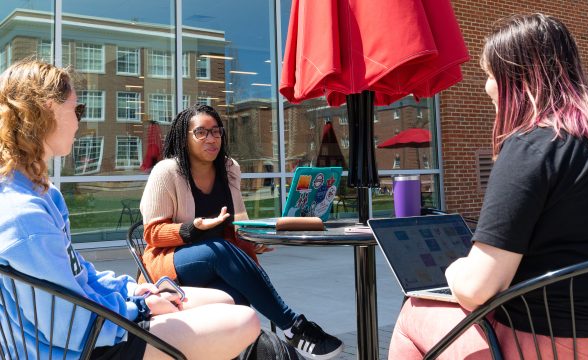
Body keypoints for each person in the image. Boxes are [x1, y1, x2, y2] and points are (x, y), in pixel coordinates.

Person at [389, 13, 588, 359]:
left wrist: (453, 268)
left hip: (543, 345)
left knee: (413, 311)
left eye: (490, 75)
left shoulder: (532, 145)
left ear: (517, 78)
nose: (486, 87)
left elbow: (478, 288)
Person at [0, 59, 261, 360]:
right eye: (77, 110)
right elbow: (69, 323)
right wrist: (141, 307)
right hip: (82, 347)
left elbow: (78, 275)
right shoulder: (23, 215)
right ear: (49, 111)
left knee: (223, 300)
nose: (79, 121)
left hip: (94, 326)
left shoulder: (38, 192)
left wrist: (132, 290)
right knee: (243, 320)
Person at [139, 103, 344, 360]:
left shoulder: (229, 168)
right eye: (201, 132)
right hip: (169, 264)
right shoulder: (167, 171)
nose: (211, 138)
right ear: (184, 137)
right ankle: (293, 326)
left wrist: (253, 242)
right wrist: (193, 229)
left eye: (216, 131)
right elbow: (153, 234)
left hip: (217, 264)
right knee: (219, 250)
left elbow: (239, 223)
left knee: (236, 296)